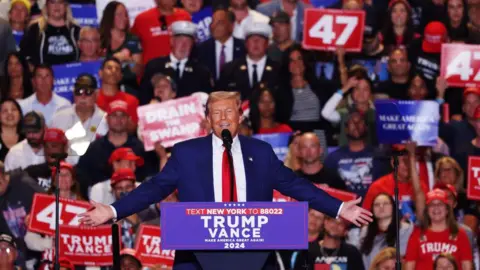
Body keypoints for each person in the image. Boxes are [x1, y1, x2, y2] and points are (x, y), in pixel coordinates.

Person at [79, 91, 373, 269]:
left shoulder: (261, 152)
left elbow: (296, 185)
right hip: (197, 256)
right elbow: (154, 188)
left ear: (240, 116)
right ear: (206, 119)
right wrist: (113, 210)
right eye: (215, 112)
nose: (222, 118)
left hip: (254, 257)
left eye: (228, 112)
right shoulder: (186, 153)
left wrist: (339, 208)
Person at [76, 100, 156, 199]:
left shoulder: (142, 148)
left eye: (122, 115)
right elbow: (81, 179)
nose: (119, 119)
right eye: (114, 115)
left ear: (129, 119)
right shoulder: (93, 150)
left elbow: (152, 179)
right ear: (107, 119)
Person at [138, 20, 213, 105]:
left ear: (193, 44)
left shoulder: (201, 71)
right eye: (180, 40)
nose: (183, 45)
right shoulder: (154, 66)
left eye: (188, 41)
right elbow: (144, 97)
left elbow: (208, 101)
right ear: (172, 41)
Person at [404, 189, 473, 270]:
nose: (436, 208)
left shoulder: (460, 234)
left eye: (440, 204)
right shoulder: (417, 234)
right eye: (432, 205)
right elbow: (409, 266)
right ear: (427, 210)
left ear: (447, 209)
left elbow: (466, 265)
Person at [276, 45, 334, 137]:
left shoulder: (319, 86)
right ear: (287, 65)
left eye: (299, 59)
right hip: (294, 136)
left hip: (317, 136)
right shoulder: (281, 90)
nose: (296, 63)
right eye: (292, 60)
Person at [324, 111, 384, 199]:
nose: (356, 124)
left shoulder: (380, 156)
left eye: (360, 122)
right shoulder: (333, 158)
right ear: (346, 129)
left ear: (366, 127)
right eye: (352, 122)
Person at [217, 22, 280, 100]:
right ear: (246, 43)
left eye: (260, 39)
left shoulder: (279, 70)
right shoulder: (230, 69)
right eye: (252, 38)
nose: (256, 42)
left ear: (267, 44)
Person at [51, 74, 108, 158]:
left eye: (88, 92)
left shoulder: (106, 120)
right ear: (73, 93)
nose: (83, 96)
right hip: (65, 168)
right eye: (79, 91)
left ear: (96, 94)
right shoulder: (59, 117)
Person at [0, 161, 44, 269]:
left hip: (38, 250)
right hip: (14, 252)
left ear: (2, 176)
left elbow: (49, 208)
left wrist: (35, 218)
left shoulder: (25, 185)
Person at [362, 143, 427, 212]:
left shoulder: (421, 186)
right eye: (405, 161)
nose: (408, 165)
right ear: (393, 162)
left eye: (410, 161)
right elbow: (365, 217)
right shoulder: (378, 187)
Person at [359, 193, 414, 269]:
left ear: (393, 207)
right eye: (377, 205)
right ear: (372, 210)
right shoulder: (365, 231)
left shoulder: (407, 229)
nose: (381, 207)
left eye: (386, 203)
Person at [321, 71, 376, 146]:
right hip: (345, 156)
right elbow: (325, 113)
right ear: (352, 93)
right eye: (357, 88)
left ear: (371, 93)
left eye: (365, 89)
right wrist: (345, 88)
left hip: (371, 155)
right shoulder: (345, 113)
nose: (361, 92)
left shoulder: (377, 114)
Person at [19, 0, 80, 65]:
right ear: (46, 6)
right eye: (52, 2)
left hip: (71, 74)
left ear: (66, 6)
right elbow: (24, 56)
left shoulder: (76, 30)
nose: (57, 6)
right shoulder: (34, 29)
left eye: (60, 2)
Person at [131, 0, 191, 65]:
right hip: (151, 71)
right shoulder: (141, 19)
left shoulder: (185, 16)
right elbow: (132, 46)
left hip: (178, 70)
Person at [100, 1, 143, 91]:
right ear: (110, 16)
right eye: (119, 14)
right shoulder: (100, 39)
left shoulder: (133, 40)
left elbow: (139, 71)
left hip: (129, 88)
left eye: (125, 15)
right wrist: (114, 58)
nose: (124, 18)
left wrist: (129, 60)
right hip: (105, 88)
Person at [293, 216, 365, 270]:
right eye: (333, 221)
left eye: (341, 224)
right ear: (325, 223)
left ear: (345, 231)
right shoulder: (307, 251)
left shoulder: (352, 252)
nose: (335, 225)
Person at [196, 8, 246, 80]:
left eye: (219, 23)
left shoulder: (243, 47)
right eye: (213, 22)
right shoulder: (201, 49)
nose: (213, 26)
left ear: (231, 26)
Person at [96, 57, 139, 131]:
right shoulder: (91, 98)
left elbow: (133, 129)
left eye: (117, 69)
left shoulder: (131, 100)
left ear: (121, 76)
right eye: (109, 68)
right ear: (100, 73)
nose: (113, 71)